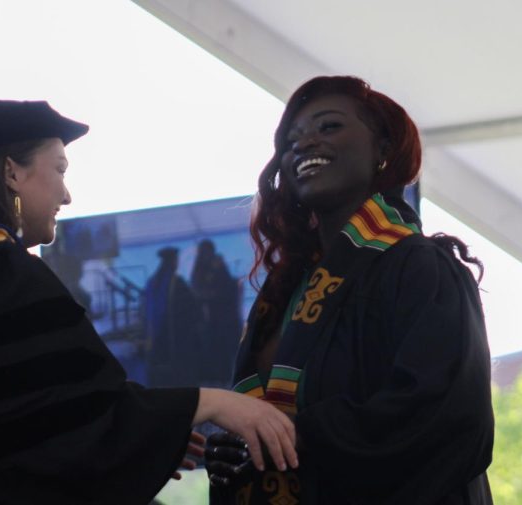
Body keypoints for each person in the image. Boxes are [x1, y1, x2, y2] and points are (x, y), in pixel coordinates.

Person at [0, 97, 297, 505]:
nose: (66, 194)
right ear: (11, 172)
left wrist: (154, 435)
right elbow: (53, 431)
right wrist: (209, 404)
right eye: (60, 170)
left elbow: (4, 415)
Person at [205, 76, 495, 504]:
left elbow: (444, 418)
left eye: (329, 127)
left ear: (383, 148)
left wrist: (294, 436)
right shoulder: (279, 295)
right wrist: (231, 449)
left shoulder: (420, 267)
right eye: (290, 140)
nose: (303, 145)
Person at [143, 246, 201, 387]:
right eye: (176, 260)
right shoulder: (176, 283)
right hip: (175, 338)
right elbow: (191, 306)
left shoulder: (153, 282)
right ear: (172, 262)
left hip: (157, 338)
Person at [190, 239, 242, 385]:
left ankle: (226, 378)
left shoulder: (218, 265)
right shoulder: (199, 269)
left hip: (223, 319)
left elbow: (227, 288)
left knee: (225, 353)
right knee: (211, 353)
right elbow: (197, 290)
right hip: (208, 321)